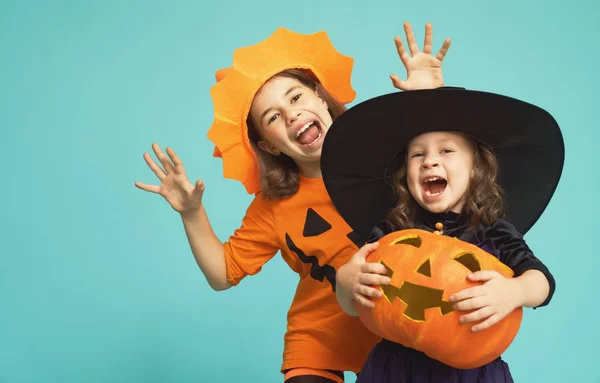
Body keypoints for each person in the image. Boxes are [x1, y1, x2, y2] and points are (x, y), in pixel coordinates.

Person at [135, 24, 452, 382]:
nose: (290, 114)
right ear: (268, 145)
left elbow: (446, 174)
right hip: (317, 346)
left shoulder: (389, 159)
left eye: (296, 97)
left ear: (320, 96)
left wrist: (428, 98)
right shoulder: (272, 207)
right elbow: (223, 274)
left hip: (399, 339)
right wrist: (192, 213)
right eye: (272, 117)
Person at [321, 87, 564, 382]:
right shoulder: (392, 231)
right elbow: (355, 305)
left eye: (446, 150)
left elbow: (542, 282)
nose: (429, 161)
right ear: (405, 174)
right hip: (395, 370)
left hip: (472, 373)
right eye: (417, 154)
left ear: (476, 168)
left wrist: (516, 291)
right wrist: (347, 282)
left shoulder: (494, 231)